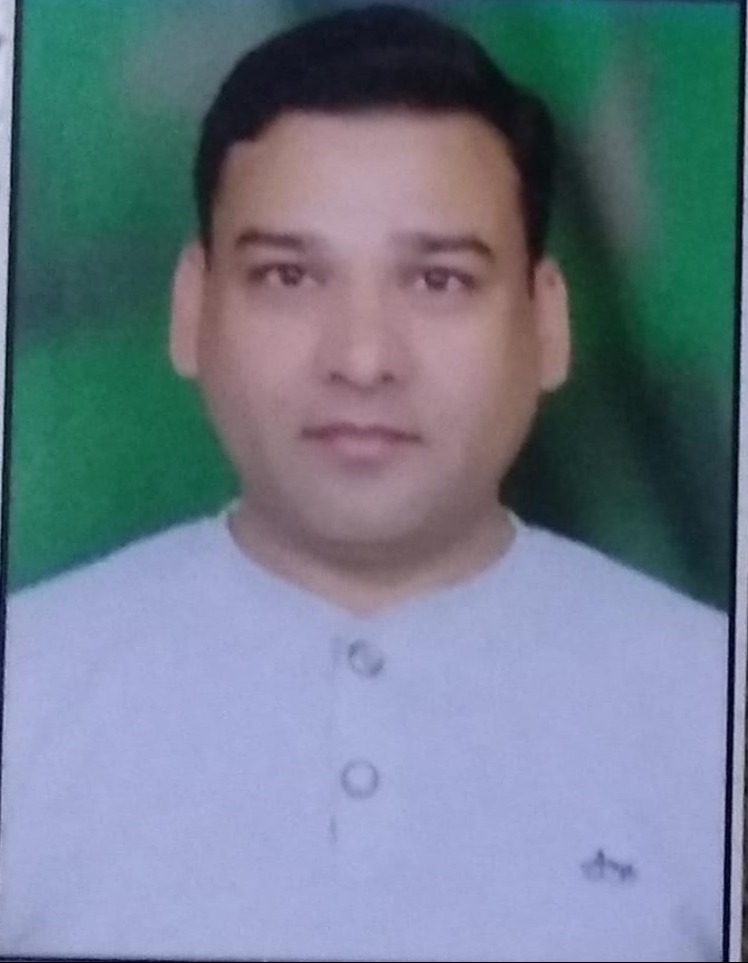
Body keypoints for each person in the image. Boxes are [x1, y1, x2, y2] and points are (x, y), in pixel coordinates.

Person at [0, 5, 728, 962]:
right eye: (288, 276)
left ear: (548, 323)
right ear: (191, 309)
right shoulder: (28, 686)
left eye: (438, 281)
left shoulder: (710, 703)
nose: (362, 358)